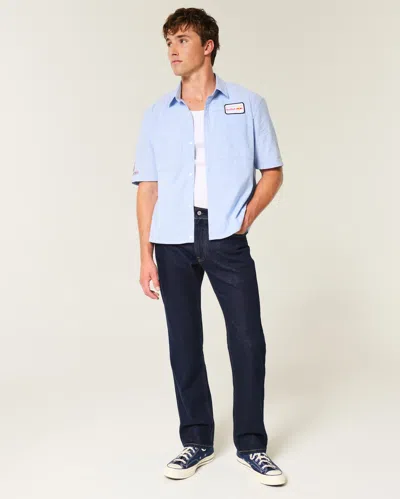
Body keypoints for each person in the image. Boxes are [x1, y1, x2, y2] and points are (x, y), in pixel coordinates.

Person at [131, 7, 287, 487]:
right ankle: (196, 439)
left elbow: (273, 171)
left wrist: (247, 217)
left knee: (248, 340)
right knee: (184, 342)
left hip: (225, 238)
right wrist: (145, 254)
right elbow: (148, 187)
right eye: (169, 42)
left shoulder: (248, 103)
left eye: (182, 40)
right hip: (172, 241)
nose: (173, 50)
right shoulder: (157, 114)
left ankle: (252, 445)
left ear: (208, 45)